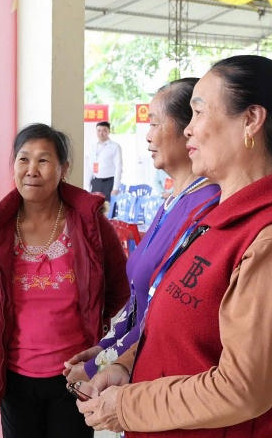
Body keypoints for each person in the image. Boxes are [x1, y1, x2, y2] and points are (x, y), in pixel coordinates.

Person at [78, 55, 272, 437]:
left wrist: (127, 405)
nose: (188, 130)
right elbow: (177, 333)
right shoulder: (215, 217)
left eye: (198, 112)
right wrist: (125, 367)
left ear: (251, 120)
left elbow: (242, 388)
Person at [0, 123, 130, 438]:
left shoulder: (90, 225)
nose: (31, 170)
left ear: (63, 168)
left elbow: (119, 288)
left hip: (75, 373)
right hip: (15, 375)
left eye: (43, 160)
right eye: (23, 159)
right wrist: (0, 315)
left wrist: (94, 318)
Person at [63, 78, 220, 385]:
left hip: (161, 375)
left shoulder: (206, 206)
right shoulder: (175, 199)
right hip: (136, 365)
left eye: (154, 124)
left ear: (189, 128)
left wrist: (104, 363)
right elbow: (140, 301)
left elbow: (164, 312)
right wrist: (102, 349)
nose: (148, 137)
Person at [88, 121, 123, 202]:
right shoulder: (93, 147)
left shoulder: (115, 147)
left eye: (104, 130)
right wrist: (87, 185)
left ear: (109, 132)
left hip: (109, 183)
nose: (101, 133)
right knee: (94, 209)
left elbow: (118, 168)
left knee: (107, 210)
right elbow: (90, 167)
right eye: (99, 130)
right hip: (96, 182)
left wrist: (115, 188)